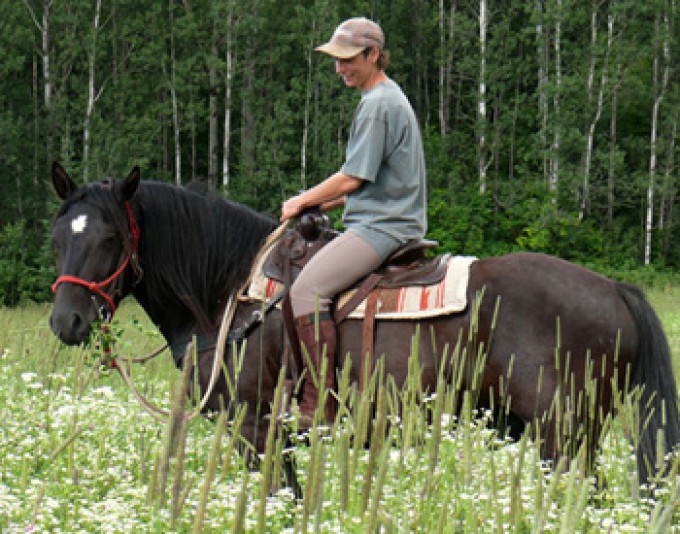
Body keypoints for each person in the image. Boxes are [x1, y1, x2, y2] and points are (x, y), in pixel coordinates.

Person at [281, 17, 427, 428]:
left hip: (382, 227)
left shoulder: (378, 105)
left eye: (348, 59)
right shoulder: (389, 98)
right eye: (336, 60)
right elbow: (370, 180)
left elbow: (354, 176)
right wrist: (329, 204)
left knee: (305, 291)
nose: (340, 68)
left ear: (373, 55)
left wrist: (301, 201)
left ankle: (318, 403)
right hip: (386, 217)